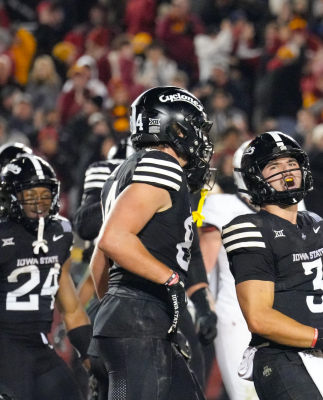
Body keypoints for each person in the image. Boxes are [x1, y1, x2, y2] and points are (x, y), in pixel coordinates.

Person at [224, 132, 323, 400]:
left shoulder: (315, 224)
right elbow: (258, 317)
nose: (287, 171)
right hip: (280, 358)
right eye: (274, 166)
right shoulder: (249, 228)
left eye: (291, 164)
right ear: (256, 177)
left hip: (320, 359)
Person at [89, 86, 214, 399]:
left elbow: (98, 262)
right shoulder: (162, 164)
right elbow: (114, 239)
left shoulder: (119, 175)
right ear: (176, 128)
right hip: (140, 314)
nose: (201, 139)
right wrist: (168, 279)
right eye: (196, 129)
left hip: (134, 314)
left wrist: (115, 311)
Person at [0, 154, 92, 400]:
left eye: (45, 194)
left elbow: (71, 310)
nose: (39, 203)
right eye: (30, 195)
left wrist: (91, 359)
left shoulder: (59, 233)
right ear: (11, 197)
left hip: (38, 347)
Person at [199, 140, 259, 400]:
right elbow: (201, 267)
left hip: (282, 316)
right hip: (237, 316)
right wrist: (203, 307)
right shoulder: (222, 207)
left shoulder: (294, 209)